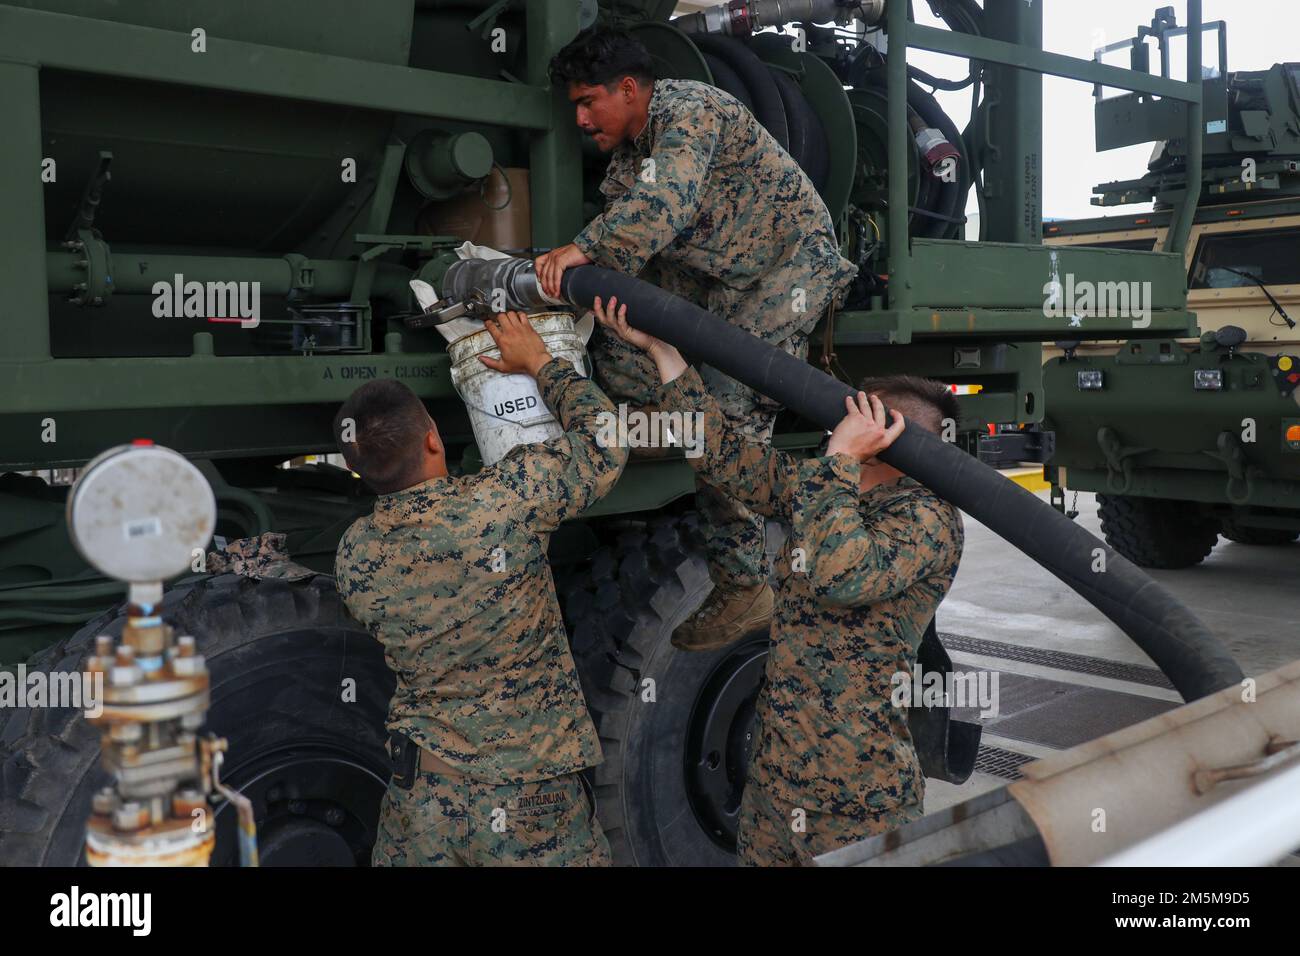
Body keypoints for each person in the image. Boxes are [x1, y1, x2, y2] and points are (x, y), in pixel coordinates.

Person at [593, 299, 964, 866]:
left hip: (856, 800)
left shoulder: (926, 519)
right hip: (775, 785)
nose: (836, 427)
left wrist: (840, 461)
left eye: (857, 418)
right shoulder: (828, 488)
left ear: (888, 436)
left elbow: (842, 571)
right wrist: (662, 353)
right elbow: (722, 455)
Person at [536, 28, 858, 651]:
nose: (579, 119)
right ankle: (682, 444)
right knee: (626, 364)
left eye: (587, 102)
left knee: (728, 415)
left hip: (785, 269)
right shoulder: (629, 158)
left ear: (629, 89)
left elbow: (663, 206)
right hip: (712, 283)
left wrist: (584, 250)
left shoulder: (691, 110)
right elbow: (637, 243)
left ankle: (746, 584)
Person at [333, 311, 626, 866]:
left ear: (356, 467)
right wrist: (541, 362)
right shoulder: (502, 505)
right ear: (435, 440)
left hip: (420, 805)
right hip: (529, 801)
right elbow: (606, 442)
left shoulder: (354, 553)